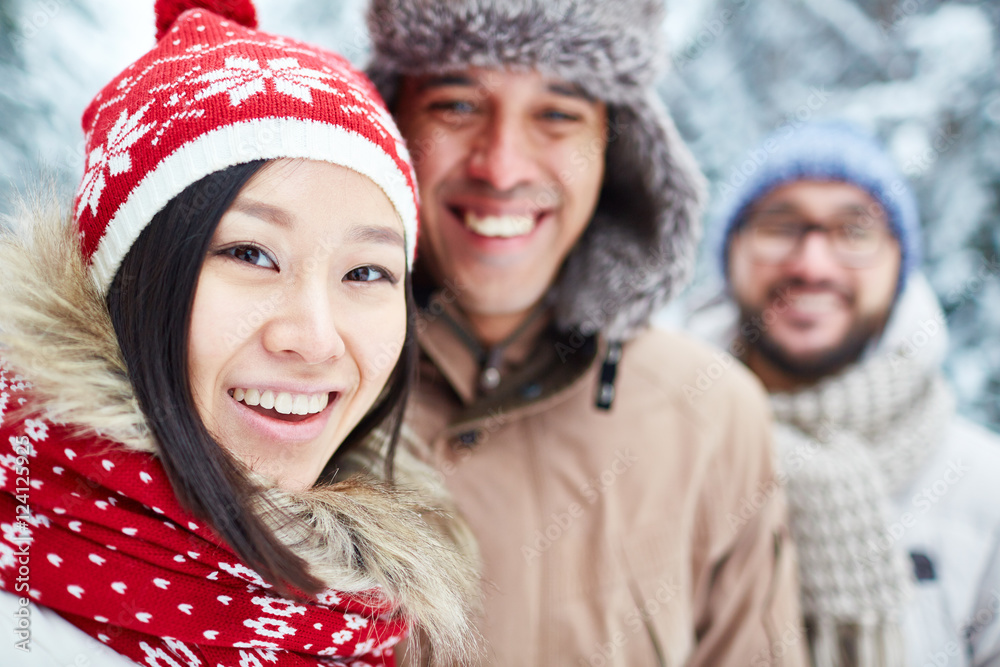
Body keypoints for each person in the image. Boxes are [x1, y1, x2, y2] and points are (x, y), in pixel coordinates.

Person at [0, 2, 480, 666]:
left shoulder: (362, 621)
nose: (314, 339)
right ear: (125, 279)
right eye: (252, 254)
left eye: (366, 271)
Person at [365, 0, 807, 664]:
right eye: (456, 104)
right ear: (389, 118)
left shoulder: (712, 414)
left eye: (558, 114)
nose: (502, 166)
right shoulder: (298, 389)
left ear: (616, 145)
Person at [685, 121, 1000, 665]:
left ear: (901, 263)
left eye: (854, 232)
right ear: (729, 251)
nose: (812, 265)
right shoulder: (656, 452)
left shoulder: (981, 488)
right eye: (779, 226)